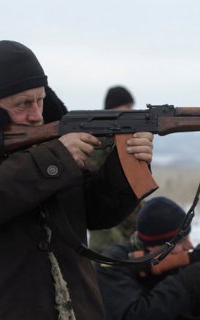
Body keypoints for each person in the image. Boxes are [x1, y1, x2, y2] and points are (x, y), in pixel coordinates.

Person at [0, 40, 154, 320]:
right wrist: (54, 159)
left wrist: (126, 164)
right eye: (23, 104)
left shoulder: (51, 133)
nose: (36, 115)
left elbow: (94, 212)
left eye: (40, 99)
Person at [88, 85, 142, 253]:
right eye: (126, 108)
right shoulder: (97, 138)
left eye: (131, 107)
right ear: (112, 109)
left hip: (123, 219)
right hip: (105, 230)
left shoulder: (121, 136)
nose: (130, 112)